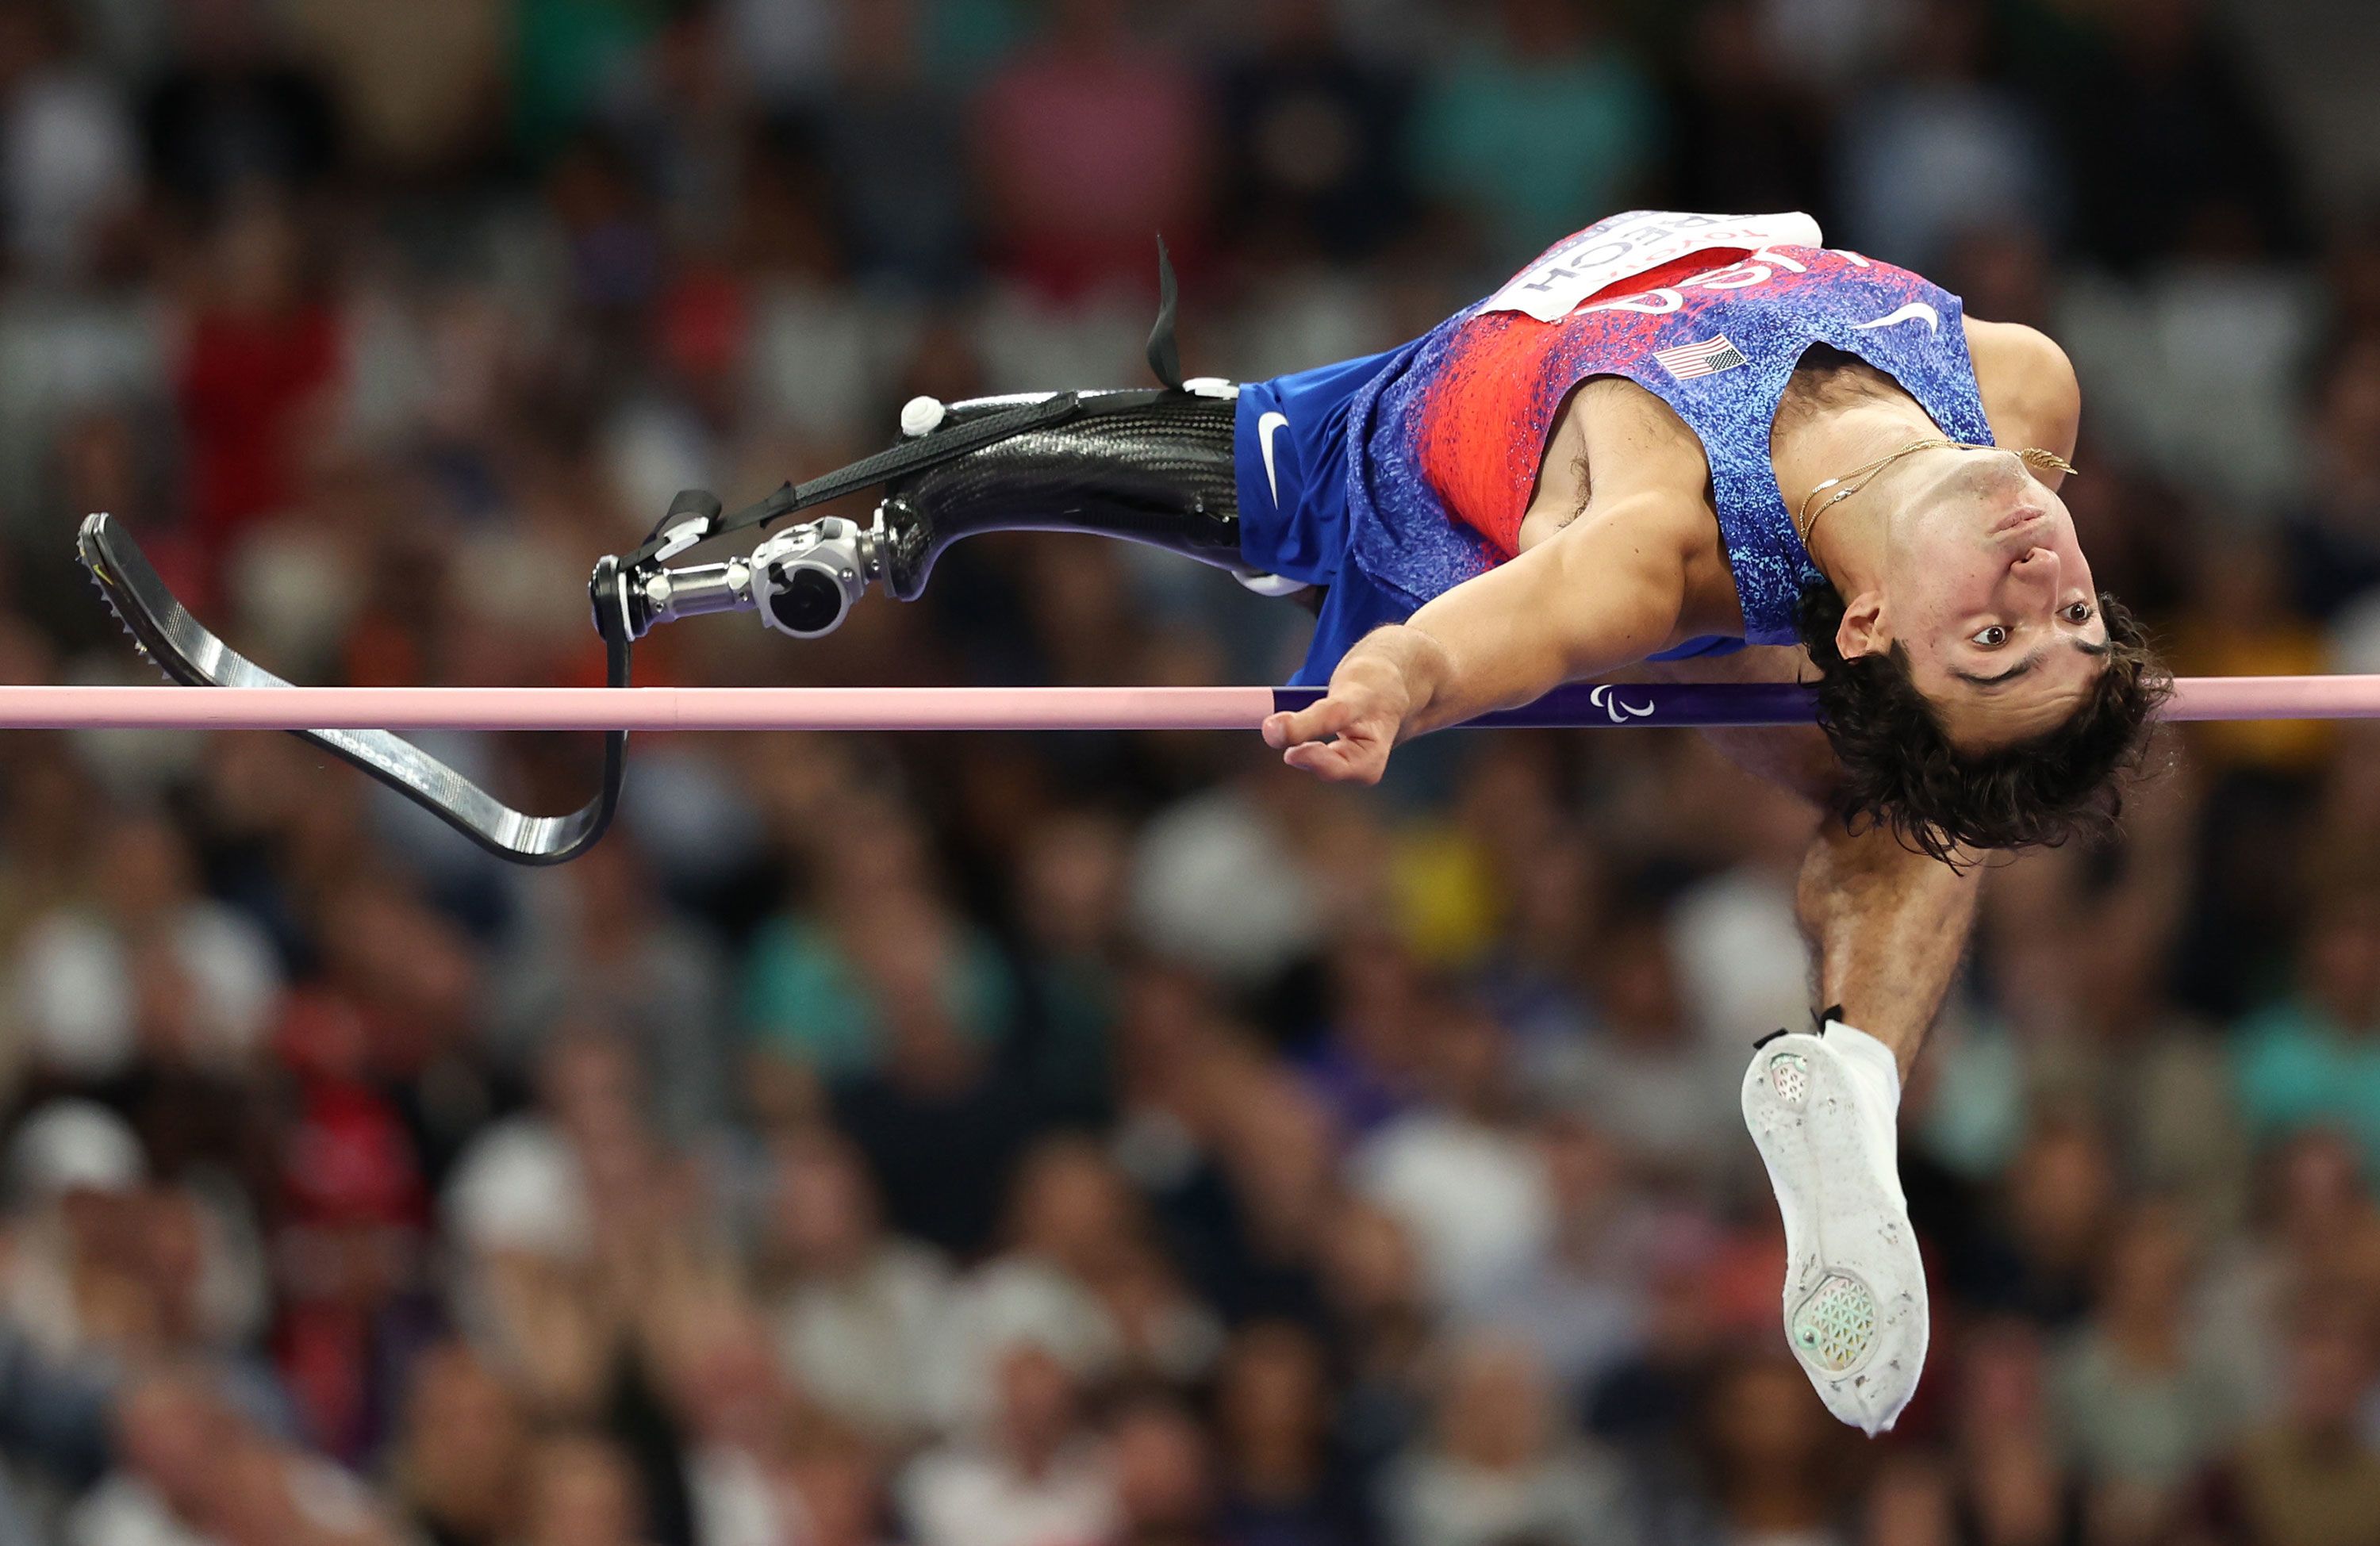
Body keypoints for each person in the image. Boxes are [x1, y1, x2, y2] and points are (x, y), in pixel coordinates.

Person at [636, 208, 2171, 1433]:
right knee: (1915, 786)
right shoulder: (2027, 395)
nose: (2043, 583)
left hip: (1453, 475)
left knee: (1228, 488)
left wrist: (1395, 675)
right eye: (2072, 619)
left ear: (1875, 626)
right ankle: (1851, 1060)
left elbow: (1493, 633)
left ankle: (1852, 1076)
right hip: (1695, 466)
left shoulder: (1656, 534)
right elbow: (1963, 619)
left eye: (1993, 640)